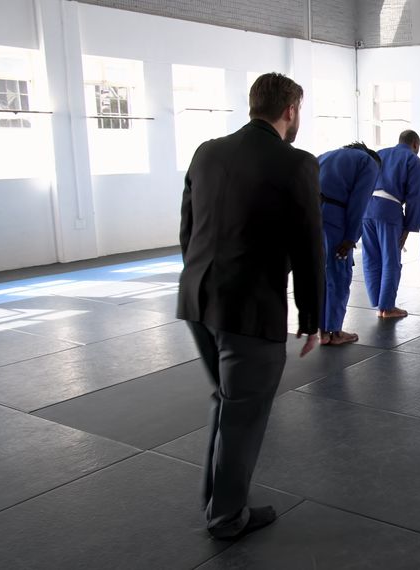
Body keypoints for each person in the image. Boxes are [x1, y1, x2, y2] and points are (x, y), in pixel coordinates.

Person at [177, 72, 323, 540]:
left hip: (198, 301)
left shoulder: (207, 151)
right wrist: (313, 317)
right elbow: (307, 249)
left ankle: (217, 500)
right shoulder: (296, 162)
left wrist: (202, 280)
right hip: (249, 312)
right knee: (243, 413)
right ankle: (226, 517)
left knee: (228, 401)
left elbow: (188, 228)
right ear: (291, 110)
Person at [317, 142, 381, 345]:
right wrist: (351, 238)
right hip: (335, 220)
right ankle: (335, 332)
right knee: (339, 275)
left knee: (320, 276)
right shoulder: (368, 163)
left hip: (312, 217)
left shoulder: (324, 154)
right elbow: (359, 202)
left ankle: (323, 332)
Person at [362, 130, 420, 318]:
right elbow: (415, 198)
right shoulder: (413, 161)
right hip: (388, 211)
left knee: (371, 257)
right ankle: (387, 307)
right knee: (391, 259)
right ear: (415, 144)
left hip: (366, 207)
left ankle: (378, 302)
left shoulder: (380, 154)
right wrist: (408, 227)